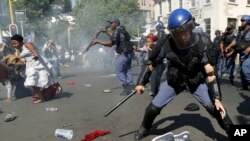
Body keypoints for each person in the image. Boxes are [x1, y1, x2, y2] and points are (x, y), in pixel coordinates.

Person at [133, 8, 232, 140]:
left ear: (191, 28)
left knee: (217, 110)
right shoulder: (165, 42)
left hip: (195, 81)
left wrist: (217, 98)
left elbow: (210, 73)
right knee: (152, 109)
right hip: (174, 81)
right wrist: (141, 82)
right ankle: (143, 129)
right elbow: (151, 63)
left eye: (186, 32)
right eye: (179, 33)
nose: (183, 36)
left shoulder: (203, 42)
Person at [11, 34, 62, 104]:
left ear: (20, 42)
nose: (14, 45)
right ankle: (54, 85)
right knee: (40, 82)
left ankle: (42, 98)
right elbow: (24, 58)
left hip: (38, 64)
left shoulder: (26, 44)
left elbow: (32, 49)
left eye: (15, 43)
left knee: (33, 82)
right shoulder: (21, 49)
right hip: (31, 66)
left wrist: (35, 54)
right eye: (12, 44)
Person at [91, 18, 135, 96]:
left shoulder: (117, 30)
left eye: (111, 23)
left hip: (124, 53)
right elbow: (117, 37)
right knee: (127, 69)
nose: (110, 25)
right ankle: (131, 86)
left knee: (118, 70)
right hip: (130, 52)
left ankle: (126, 88)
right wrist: (106, 32)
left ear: (116, 23)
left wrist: (98, 41)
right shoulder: (122, 29)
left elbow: (111, 44)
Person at [134, 33, 164, 98]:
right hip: (151, 64)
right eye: (147, 41)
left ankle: (155, 93)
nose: (147, 43)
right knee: (144, 74)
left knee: (154, 79)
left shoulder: (157, 47)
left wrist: (151, 64)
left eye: (149, 42)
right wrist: (136, 48)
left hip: (158, 65)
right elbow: (140, 49)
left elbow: (159, 57)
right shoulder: (147, 46)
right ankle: (140, 85)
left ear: (153, 42)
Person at [226, 15, 250, 90]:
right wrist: (229, 46)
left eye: (243, 21)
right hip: (241, 53)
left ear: (248, 21)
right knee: (242, 72)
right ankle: (245, 86)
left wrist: (249, 48)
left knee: (245, 71)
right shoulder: (241, 30)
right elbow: (236, 41)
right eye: (241, 20)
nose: (241, 22)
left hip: (248, 54)